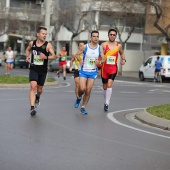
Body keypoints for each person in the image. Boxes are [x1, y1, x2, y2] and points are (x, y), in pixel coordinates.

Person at [25, 26, 55, 116]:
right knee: (33, 86)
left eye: (46, 34)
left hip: (42, 70)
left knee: (39, 89)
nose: (44, 35)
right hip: (33, 68)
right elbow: (27, 49)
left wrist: (46, 57)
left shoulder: (48, 45)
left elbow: (54, 56)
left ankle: (37, 97)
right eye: (43, 34)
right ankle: (32, 108)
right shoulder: (32, 43)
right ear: (38, 34)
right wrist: (27, 56)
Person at [74, 31, 104, 115]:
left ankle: (83, 107)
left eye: (97, 36)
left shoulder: (99, 48)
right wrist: (80, 60)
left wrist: (100, 61)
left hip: (93, 72)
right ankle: (79, 97)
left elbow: (103, 58)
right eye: (94, 36)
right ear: (91, 37)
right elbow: (76, 54)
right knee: (82, 89)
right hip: (84, 71)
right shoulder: (85, 47)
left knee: (88, 90)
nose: (95, 38)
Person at [101, 28, 126, 111]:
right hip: (104, 69)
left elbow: (122, 53)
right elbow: (100, 54)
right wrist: (100, 59)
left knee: (109, 85)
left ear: (116, 36)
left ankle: (107, 103)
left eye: (114, 35)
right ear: (108, 35)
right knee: (105, 87)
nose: (112, 36)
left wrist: (123, 60)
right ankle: (105, 101)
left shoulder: (118, 46)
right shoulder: (104, 45)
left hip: (113, 69)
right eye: (111, 34)